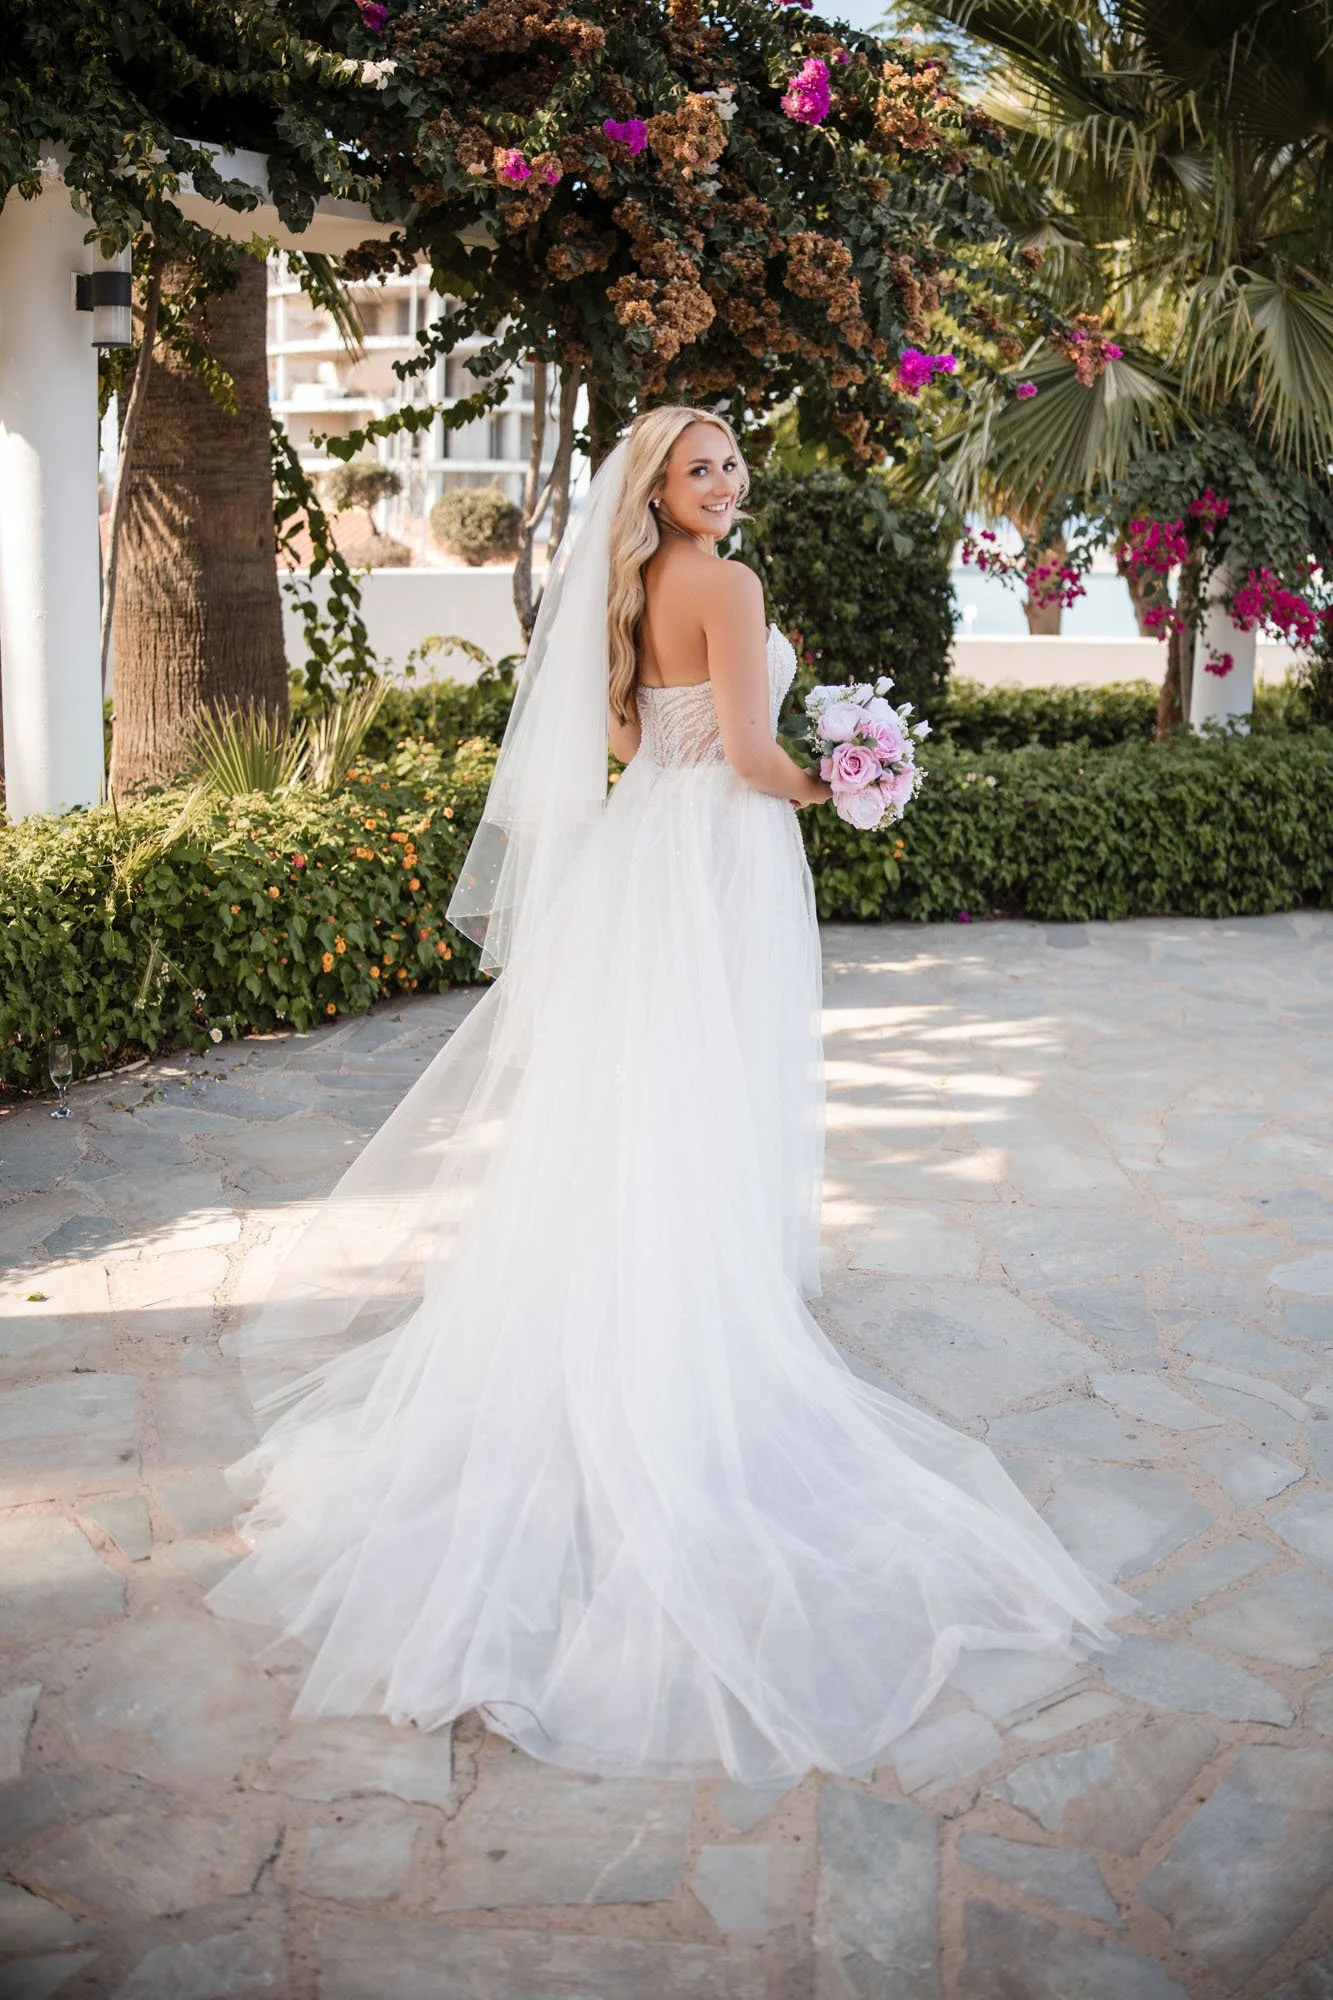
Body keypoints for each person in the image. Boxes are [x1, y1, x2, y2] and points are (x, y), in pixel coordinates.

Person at [206, 404, 1129, 1783]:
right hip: (718, 861)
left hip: (646, 855)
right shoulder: (734, 583)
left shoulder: (630, 590)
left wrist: (780, 763)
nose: (725, 479)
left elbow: (641, 749)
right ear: (657, 483)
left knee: (630, 1109)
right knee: (704, 1096)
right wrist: (849, 783)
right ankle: (684, 1342)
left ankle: (623, 1316)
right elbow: (750, 761)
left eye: (732, 461)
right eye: (700, 466)